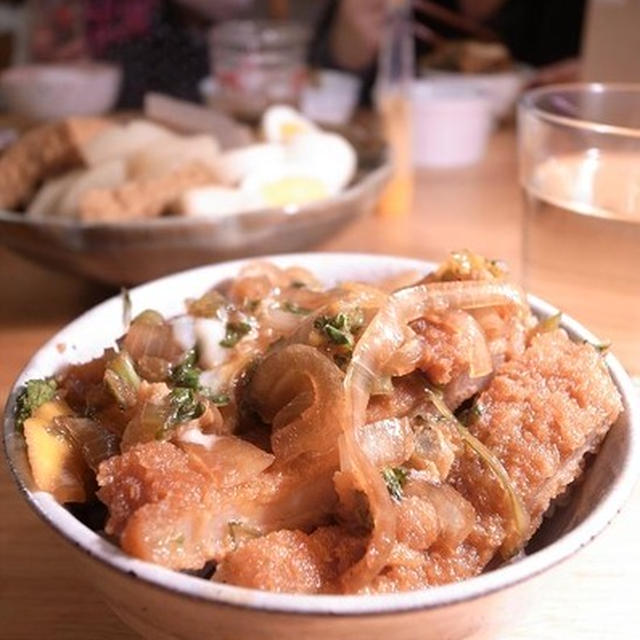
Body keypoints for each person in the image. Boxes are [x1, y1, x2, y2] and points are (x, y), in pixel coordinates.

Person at [310, 0, 585, 104]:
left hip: (540, 170)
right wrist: (347, 48)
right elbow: (317, 86)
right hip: (410, 168)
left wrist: (591, 79)